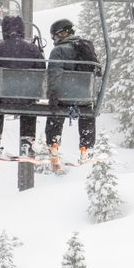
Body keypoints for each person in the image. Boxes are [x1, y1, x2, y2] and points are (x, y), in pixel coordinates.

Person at [0, 15, 44, 158]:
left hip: (2, 96)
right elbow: (42, 69)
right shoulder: (33, 49)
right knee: (30, 103)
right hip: (26, 96)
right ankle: (27, 142)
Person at [45, 18, 97, 166]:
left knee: (55, 113)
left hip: (64, 96)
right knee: (87, 115)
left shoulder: (59, 50)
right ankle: (85, 148)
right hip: (85, 96)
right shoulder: (86, 46)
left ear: (61, 34)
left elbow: (55, 73)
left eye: (54, 36)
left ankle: (53, 144)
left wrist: (53, 94)